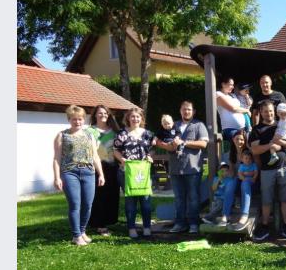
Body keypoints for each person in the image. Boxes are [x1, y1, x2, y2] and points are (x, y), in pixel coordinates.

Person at [54, 105, 105, 245]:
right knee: (75, 205)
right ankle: (76, 236)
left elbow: (95, 156)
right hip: (70, 172)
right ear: (69, 119)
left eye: (80, 119)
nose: (77, 122)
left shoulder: (90, 135)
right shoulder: (62, 135)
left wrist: (101, 174)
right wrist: (57, 177)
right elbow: (57, 158)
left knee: (88, 205)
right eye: (74, 119)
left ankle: (82, 231)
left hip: (89, 172)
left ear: (84, 120)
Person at [250, 99, 286, 241]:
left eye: (271, 111)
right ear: (261, 113)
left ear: (275, 112)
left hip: (284, 168)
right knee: (266, 200)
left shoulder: (282, 125)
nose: (269, 114)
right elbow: (254, 150)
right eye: (265, 111)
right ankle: (265, 227)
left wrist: (281, 143)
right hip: (266, 170)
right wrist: (271, 144)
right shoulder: (257, 130)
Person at [158, 101, 209, 234]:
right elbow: (162, 141)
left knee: (193, 197)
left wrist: (184, 142)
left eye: (189, 109)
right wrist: (169, 145)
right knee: (179, 198)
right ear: (180, 111)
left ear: (193, 111)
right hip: (175, 168)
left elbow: (203, 144)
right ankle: (180, 223)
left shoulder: (199, 125)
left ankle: (193, 223)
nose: (186, 112)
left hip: (192, 168)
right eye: (184, 109)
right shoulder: (173, 125)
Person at [113, 108, 155, 238]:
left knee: (146, 202)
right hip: (126, 172)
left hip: (144, 173)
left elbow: (152, 150)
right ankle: (131, 228)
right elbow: (115, 150)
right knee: (130, 201)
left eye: (138, 117)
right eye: (132, 117)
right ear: (128, 118)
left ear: (141, 119)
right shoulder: (122, 133)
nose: (135, 119)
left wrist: (150, 156)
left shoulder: (148, 134)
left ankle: (147, 227)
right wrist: (122, 159)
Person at [87, 105, 120, 236]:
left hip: (112, 167)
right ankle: (100, 224)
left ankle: (108, 221)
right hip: (96, 167)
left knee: (111, 195)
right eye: (100, 113)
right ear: (95, 115)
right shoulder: (90, 131)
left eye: (105, 113)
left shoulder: (115, 131)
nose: (103, 115)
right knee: (98, 196)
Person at [215, 76, 249, 144]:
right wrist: (247, 111)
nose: (233, 87)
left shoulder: (232, 95)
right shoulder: (218, 94)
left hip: (243, 128)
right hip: (230, 129)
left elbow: (241, 106)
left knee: (245, 150)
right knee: (236, 149)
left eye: (233, 85)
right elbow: (233, 108)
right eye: (231, 84)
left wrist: (247, 98)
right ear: (223, 84)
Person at [233, 149, 258, 228]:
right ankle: (241, 208)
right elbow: (239, 174)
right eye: (246, 158)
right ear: (242, 159)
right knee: (243, 184)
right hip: (244, 181)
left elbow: (256, 172)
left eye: (249, 158)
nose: (248, 160)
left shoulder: (253, 165)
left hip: (252, 182)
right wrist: (244, 178)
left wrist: (253, 178)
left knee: (244, 185)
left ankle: (244, 213)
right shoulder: (242, 166)